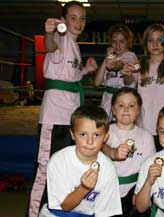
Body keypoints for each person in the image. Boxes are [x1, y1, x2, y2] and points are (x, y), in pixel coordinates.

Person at [28, 2, 98, 216]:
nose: (78, 22)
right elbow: (51, 45)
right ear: (64, 20)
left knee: (62, 169)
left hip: (70, 117)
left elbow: (70, 75)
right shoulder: (61, 37)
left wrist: (85, 70)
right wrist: (49, 33)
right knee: (45, 169)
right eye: (73, 18)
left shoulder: (74, 46)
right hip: (54, 116)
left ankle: (55, 210)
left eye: (82, 18)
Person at [39, 104, 122, 217]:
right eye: (83, 134)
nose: (89, 141)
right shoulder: (59, 161)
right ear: (73, 134)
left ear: (105, 137)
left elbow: (104, 213)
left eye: (96, 135)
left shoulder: (108, 168)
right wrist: (84, 188)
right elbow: (65, 206)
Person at [124, 24, 164, 151]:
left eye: (160, 40)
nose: (155, 44)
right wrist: (127, 74)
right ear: (145, 44)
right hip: (145, 126)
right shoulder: (139, 66)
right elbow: (128, 82)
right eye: (151, 40)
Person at [102, 87, 156, 216]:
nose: (126, 109)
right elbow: (100, 146)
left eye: (131, 105)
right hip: (107, 189)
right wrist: (112, 152)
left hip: (134, 188)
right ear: (114, 110)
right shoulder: (105, 131)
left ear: (138, 110)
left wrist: (141, 190)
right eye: (121, 105)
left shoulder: (146, 136)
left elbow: (149, 167)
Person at [94, 24, 139, 119]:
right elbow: (97, 82)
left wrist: (113, 64)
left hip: (124, 100)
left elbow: (119, 64)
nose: (117, 45)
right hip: (107, 100)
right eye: (114, 42)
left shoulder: (130, 56)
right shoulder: (111, 57)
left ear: (128, 42)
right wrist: (106, 58)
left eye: (122, 41)